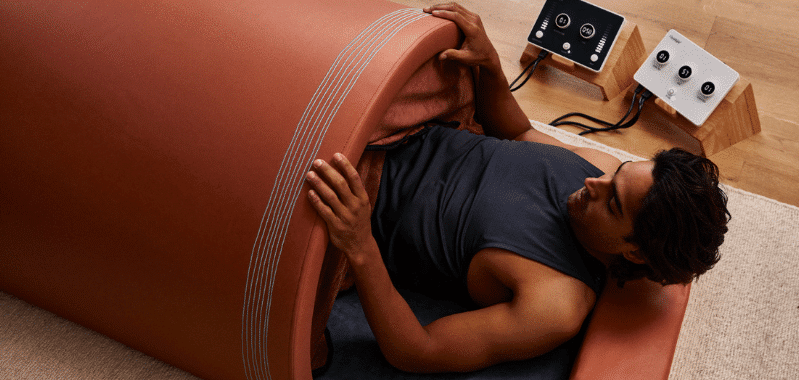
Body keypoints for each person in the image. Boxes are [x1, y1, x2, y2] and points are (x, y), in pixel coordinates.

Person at [303, 3, 729, 373]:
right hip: (414, 125)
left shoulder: (556, 304)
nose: (593, 181)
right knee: (407, 46)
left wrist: (359, 244)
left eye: (613, 202)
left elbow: (416, 350)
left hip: (360, 200)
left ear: (633, 250)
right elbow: (521, 132)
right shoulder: (601, 167)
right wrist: (489, 63)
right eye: (617, 174)